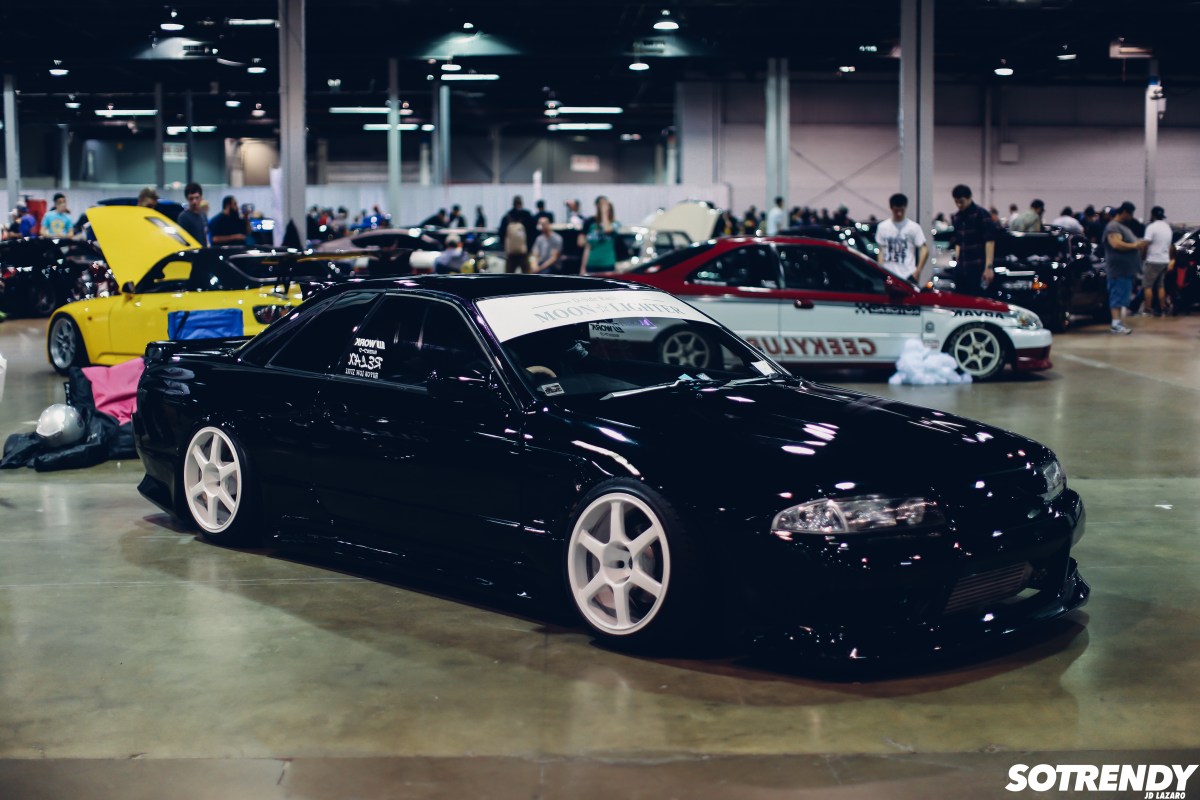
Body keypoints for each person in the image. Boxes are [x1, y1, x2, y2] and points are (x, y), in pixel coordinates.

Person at [1104, 201, 1148, 334]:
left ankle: (1118, 322)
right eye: (1130, 214)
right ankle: (1115, 324)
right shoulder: (1113, 226)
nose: (1131, 217)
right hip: (1118, 270)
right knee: (1116, 296)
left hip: (1126, 270)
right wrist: (1135, 245)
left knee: (1122, 297)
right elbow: (1116, 244)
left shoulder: (1123, 227)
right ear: (1124, 212)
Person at [950, 184, 996, 296]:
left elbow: (990, 241)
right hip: (962, 270)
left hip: (978, 269)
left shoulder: (981, 214)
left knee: (978, 301)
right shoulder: (957, 217)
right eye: (956, 202)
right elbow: (958, 242)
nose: (959, 205)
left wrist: (988, 267)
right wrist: (957, 261)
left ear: (970, 197)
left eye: (961, 201)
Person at [875, 192, 928, 283]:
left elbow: (924, 250)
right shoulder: (882, 227)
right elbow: (881, 250)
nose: (899, 213)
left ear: (905, 207)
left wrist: (917, 271)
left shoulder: (914, 227)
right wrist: (881, 269)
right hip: (889, 274)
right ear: (891, 208)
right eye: (896, 210)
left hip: (908, 274)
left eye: (902, 210)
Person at [1140, 205, 1173, 317]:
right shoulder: (1167, 227)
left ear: (1152, 215)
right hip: (1164, 260)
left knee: (1147, 286)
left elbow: (1145, 243)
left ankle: (1147, 309)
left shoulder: (1151, 227)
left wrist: (1142, 256)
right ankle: (1162, 307)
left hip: (1153, 260)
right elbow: (1169, 246)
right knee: (1160, 286)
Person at [579, 196, 620, 274]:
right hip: (591, 264)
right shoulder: (592, 225)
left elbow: (607, 230)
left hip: (607, 264)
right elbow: (587, 247)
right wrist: (583, 267)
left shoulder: (615, 224)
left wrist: (604, 213)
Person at [498, 195, 535, 273]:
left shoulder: (508, 216)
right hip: (524, 252)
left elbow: (501, 233)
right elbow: (533, 232)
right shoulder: (527, 215)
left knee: (509, 275)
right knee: (527, 274)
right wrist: (529, 247)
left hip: (511, 253)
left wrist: (505, 248)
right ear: (521, 203)